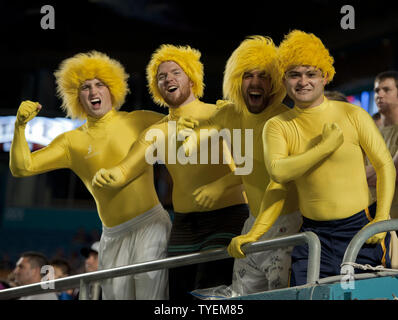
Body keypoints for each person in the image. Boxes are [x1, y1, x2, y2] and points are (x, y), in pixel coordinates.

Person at [9, 51, 171, 300]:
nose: (93, 92)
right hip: (111, 235)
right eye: (85, 87)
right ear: (77, 96)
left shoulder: (140, 120)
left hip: (151, 225)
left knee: (151, 297)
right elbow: (22, 167)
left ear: (112, 89)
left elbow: (186, 126)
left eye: (100, 84)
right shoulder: (71, 141)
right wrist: (20, 128)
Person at [92, 44, 249, 300]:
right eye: (161, 76)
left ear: (192, 78)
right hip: (184, 224)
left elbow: (251, 166)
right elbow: (125, 169)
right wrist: (108, 176)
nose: (168, 79)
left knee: (212, 293)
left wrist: (219, 186)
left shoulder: (222, 113)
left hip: (227, 216)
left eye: (176, 72)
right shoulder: (158, 130)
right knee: (176, 296)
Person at [246, 30, 395, 286]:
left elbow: (384, 166)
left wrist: (381, 216)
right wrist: (255, 233)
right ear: (284, 79)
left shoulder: (353, 114)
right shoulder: (277, 126)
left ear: (325, 76)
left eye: (311, 74)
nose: (303, 81)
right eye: (294, 74)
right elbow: (278, 176)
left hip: (359, 228)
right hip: (314, 235)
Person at [179, 36, 301, 295]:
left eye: (263, 76)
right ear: (236, 80)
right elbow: (196, 139)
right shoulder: (229, 114)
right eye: (248, 75)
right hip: (252, 224)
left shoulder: (286, 120)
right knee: (241, 295)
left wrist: (222, 183)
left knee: (282, 296)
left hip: (287, 227)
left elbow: (271, 174)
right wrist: (189, 139)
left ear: (275, 82)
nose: (255, 82)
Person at [367, 71, 398, 219]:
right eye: (377, 90)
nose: (379, 94)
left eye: (386, 90)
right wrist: (386, 167)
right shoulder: (370, 132)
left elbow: (394, 174)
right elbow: (355, 174)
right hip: (369, 217)